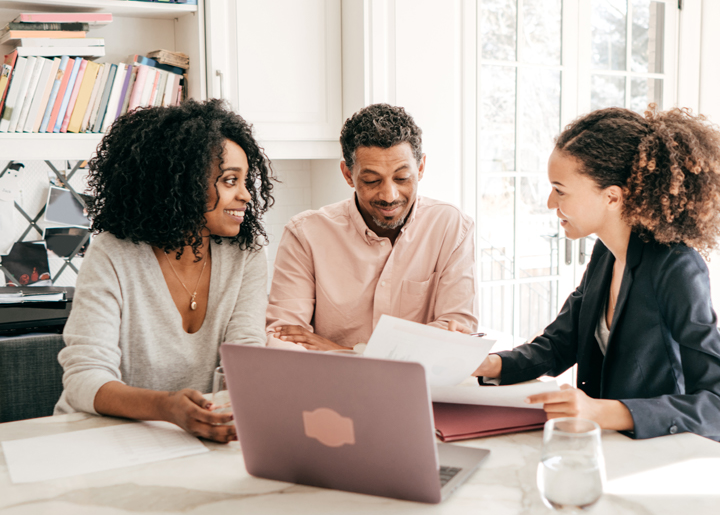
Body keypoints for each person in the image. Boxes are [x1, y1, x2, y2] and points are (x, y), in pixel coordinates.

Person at [473, 105, 720, 442]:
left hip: (669, 454)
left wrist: (600, 412)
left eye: (560, 190)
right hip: (614, 447)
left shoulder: (675, 267)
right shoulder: (606, 252)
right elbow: (559, 344)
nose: (549, 202)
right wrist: (486, 365)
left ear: (612, 197)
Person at [55, 99, 275, 443]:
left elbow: (245, 357)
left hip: (195, 436)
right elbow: (85, 378)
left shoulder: (246, 254)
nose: (246, 195)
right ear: (182, 183)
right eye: (230, 180)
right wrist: (166, 407)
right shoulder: (113, 253)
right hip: (101, 438)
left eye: (246, 181)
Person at [266, 103, 478, 351]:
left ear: (420, 168)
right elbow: (284, 339)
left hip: (419, 388)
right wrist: (413, 346)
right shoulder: (304, 235)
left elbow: (457, 332)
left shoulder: (452, 228)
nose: (389, 195)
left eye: (402, 178)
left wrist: (343, 352)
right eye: (371, 180)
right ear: (348, 174)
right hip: (330, 388)